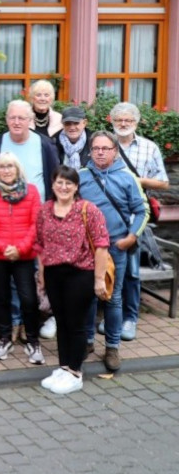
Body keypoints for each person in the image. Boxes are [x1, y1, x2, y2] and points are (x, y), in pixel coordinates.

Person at [35, 166, 111, 395]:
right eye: (60, 182)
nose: (64, 187)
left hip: (81, 274)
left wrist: (98, 279)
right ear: (53, 184)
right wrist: (41, 275)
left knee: (76, 324)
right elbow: (40, 244)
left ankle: (76, 372)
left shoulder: (88, 210)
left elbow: (101, 246)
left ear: (76, 186)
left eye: (69, 183)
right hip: (54, 273)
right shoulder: (45, 210)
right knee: (61, 321)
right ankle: (64, 366)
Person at [79, 131, 148, 372]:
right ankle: (86, 342)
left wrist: (131, 238)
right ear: (90, 151)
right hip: (87, 249)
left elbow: (142, 211)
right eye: (96, 148)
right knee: (87, 296)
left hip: (116, 247)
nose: (100, 152)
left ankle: (112, 346)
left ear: (115, 151)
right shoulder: (81, 177)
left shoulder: (128, 178)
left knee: (113, 297)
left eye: (105, 148)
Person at [109, 101, 169, 342]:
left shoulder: (149, 147)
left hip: (136, 215)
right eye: (119, 120)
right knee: (109, 267)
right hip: (109, 215)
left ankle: (130, 318)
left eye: (128, 120)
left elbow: (163, 182)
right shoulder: (104, 144)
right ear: (111, 122)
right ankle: (112, 315)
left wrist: (136, 181)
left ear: (136, 122)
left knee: (132, 272)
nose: (123, 124)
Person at [0, 153, 43, 363]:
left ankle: (33, 340)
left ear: (18, 169)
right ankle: (5, 337)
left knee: (28, 298)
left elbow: (36, 224)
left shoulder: (32, 191)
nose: (6, 170)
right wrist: (2, 247)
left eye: (10, 166)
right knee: (2, 297)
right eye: (2, 167)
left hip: (24, 254)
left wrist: (20, 248)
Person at [0, 99, 58, 201]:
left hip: (37, 209)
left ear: (30, 120)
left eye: (21, 118)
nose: (16, 122)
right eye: (12, 118)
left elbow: (54, 177)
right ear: (7, 120)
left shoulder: (45, 144)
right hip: (2, 210)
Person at [54, 105, 91, 170]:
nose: (72, 127)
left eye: (76, 123)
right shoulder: (53, 142)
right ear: (62, 124)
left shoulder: (94, 141)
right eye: (68, 123)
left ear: (84, 123)